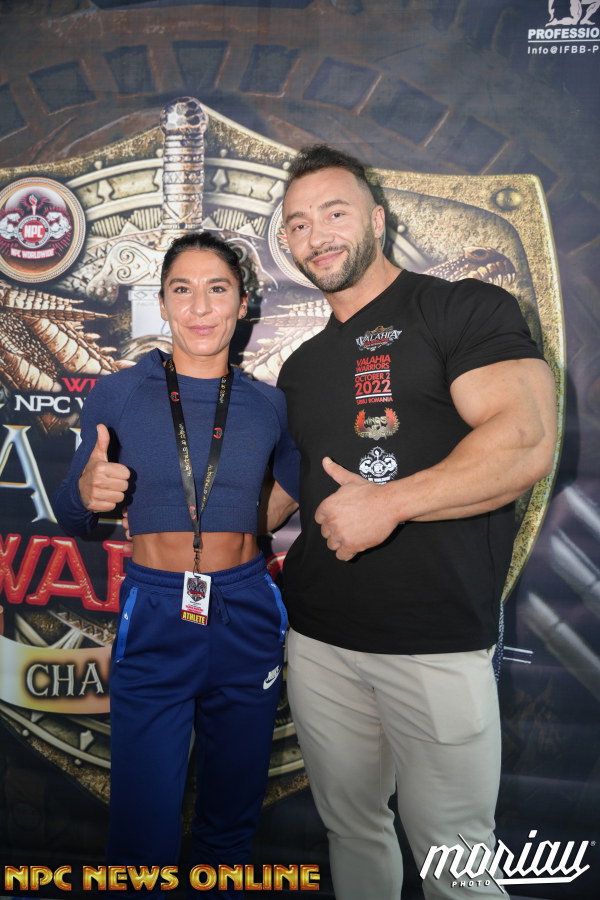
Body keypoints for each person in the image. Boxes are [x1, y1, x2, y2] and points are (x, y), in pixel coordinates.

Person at [276, 145, 557, 899]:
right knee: (352, 833)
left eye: (334, 212)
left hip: (434, 645)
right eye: (297, 223)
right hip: (318, 642)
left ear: (377, 218)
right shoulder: (301, 366)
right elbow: (283, 493)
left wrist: (390, 502)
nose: (316, 234)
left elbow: (524, 439)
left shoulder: (461, 308)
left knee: (457, 858)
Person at [52, 231, 299, 897]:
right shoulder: (119, 394)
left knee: (231, 823)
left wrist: (249, 524)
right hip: (159, 611)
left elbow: (299, 478)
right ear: (162, 303)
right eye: (182, 290)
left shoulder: (270, 404)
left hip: (246, 612)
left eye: (217, 289)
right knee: (142, 833)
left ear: (242, 303)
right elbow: (73, 517)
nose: (200, 306)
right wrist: (85, 493)